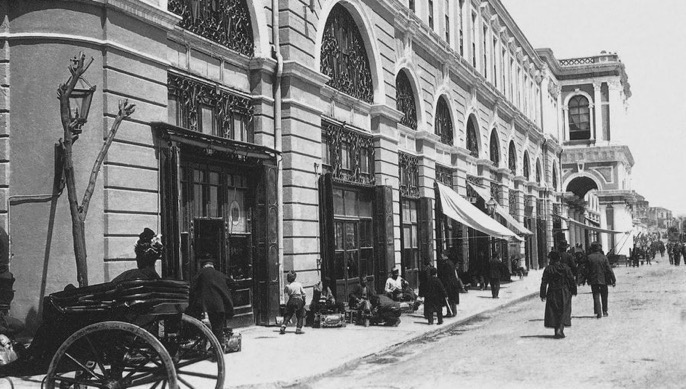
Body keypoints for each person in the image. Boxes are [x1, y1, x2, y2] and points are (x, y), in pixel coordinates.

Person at [189, 253, 235, 344]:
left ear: (204, 266)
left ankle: (204, 347)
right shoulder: (220, 274)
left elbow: (192, 288)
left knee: (203, 328)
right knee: (218, 329)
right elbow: (232, 284)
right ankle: (218, 353)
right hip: (219, 306)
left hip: (205, 307)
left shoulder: (201, 273)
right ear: (212, 266)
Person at [540, 251, 577, 339]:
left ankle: (557, 330)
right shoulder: (565, 268)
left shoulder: (548, 269)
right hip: (564, 291)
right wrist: (574, 290)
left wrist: (543, 294)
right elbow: (571, 279)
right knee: (564, 310)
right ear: (559, 258)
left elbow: (544, 282)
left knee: (554, 310)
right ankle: (560, 329)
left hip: (552, 291)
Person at [586, 242, 616, 319]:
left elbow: (587, 270)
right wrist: (613, 279)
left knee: (595, 295)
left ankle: (598, 312)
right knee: (604, 295)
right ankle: (605, 311)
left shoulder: (589, 257)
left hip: (594, 279)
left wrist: (586, 279)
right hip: (604, 280)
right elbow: (609, 269)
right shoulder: (604, 257)